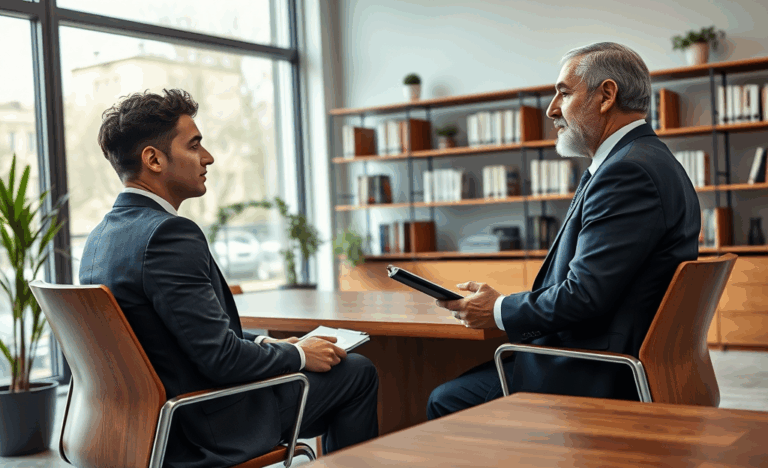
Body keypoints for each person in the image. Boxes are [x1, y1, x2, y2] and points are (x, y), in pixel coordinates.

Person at [79, 89, 378, 468]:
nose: (208, 158)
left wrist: (273, 343)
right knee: (357, 372)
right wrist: (301, 354)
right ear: (153, 159)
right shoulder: (168, 235)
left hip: (138, 427)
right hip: (205, 428)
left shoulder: (100, 238)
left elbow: (182, 338)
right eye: (194, 145)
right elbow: (221, 359)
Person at [427, 42, 700, 419]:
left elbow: (585, 296)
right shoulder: (643, 159)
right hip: (609, 355)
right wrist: (503, 306)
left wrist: (500, 309)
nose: (552, 109)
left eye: (564, 93)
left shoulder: (627, 172)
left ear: (606, 95)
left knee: (445, 398)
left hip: (592, 370)